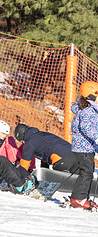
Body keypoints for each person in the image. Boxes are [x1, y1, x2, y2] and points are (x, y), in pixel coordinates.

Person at [14, 122, 92, 203]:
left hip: (62, 159)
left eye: (22, 141)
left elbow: (25, 162)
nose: (22, 143)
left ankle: (74, 200)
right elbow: (45, 154)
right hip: (75, 155)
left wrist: (22, 178)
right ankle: (82, 199)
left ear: (22, 135)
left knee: (62, 186)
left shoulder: (29, 142)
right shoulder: (41, 135)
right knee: (78, 181)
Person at [68, 81, 98, 210]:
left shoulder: (86, 109)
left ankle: (81, 197)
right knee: (86, 173)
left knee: (87, 173)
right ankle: (78, 198)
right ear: (91, 96)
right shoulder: (88, 111)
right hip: (83, 148)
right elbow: (85, 127)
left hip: (85, 147)